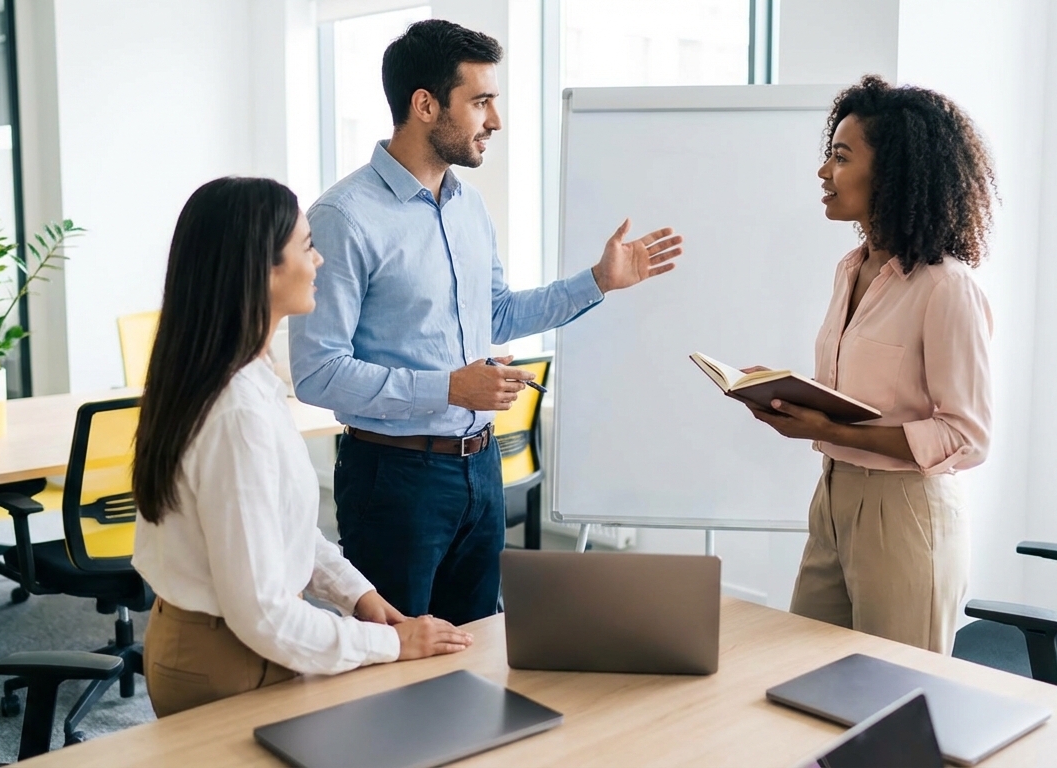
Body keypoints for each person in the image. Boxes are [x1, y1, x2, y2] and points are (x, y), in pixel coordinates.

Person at [290, 20, 683, 626]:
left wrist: (598, 281)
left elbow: (495, 312)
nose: (494, 120)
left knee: (478, 651)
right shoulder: (344, 217)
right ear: (424, 104)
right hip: (393, 479)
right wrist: (448, 387)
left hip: (480, 468)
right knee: (393, 666)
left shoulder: (467, 204)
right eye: (480, 101)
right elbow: (317, 373)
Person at [131, 177, 472, 718]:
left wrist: (358, 597)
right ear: (260, 270)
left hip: (237, 641)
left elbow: (282, 528)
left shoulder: (240, 377)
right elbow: (264, 613)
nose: (319, 263)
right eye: (308, 246)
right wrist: (392, 645)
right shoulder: (236, 410)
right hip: (228, 656)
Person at [743, 76, 995, 654]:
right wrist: (787, 394)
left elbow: (966, 437)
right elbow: (859, 396)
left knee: (893, 705)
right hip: (832, 496)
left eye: (840, 156)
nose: (823, 173)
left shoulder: (946, 288)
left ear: (894, 172)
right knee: (804, 676)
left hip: (904, 509)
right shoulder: (849, 268)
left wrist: (827, 429)